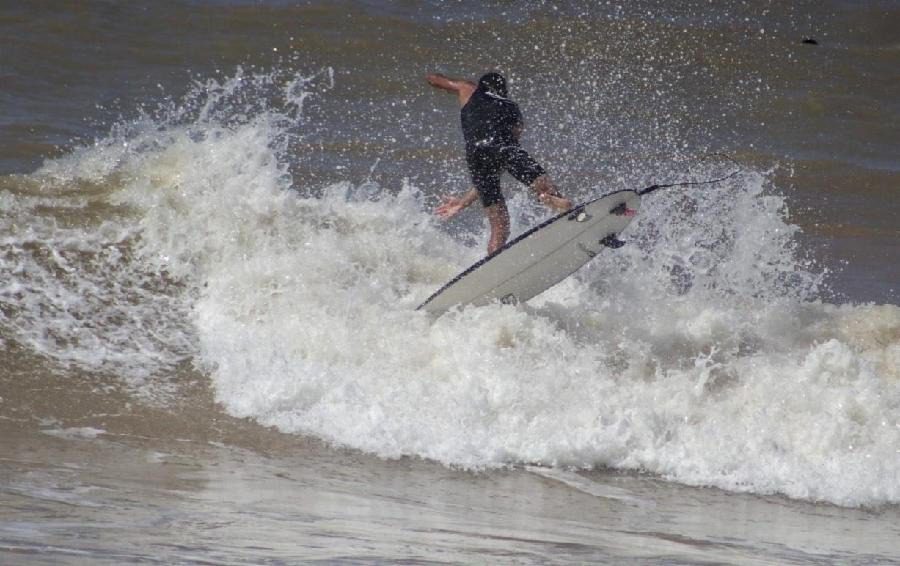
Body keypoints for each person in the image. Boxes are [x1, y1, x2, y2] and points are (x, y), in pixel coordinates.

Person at [425, 71, 572, 254]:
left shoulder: (469, 91)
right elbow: (509, 152)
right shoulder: (512, 109)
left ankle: (493, 261)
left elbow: (440, 81)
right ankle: (554, 201)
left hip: (476, 154)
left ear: (481, 87)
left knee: (499, 227)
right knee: (547, 189)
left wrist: (462, 202)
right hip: (505, 148)